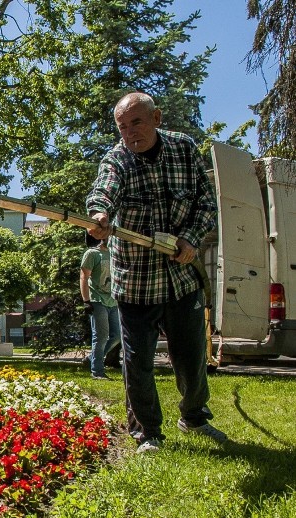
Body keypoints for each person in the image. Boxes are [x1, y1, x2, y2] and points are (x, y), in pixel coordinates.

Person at [87, 92, 226, 454]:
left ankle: (193, 415)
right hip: (135, 283)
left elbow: (206, 205)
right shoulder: (116, 160)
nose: (130, 133)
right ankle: (147, 433)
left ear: (157, 118)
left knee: (191, 358)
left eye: (136, 122)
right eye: (122, 126)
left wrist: (191, 240)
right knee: (137, 363)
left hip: (181, 280)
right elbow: (104, 192)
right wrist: (100, 216)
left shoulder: (184, 150)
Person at [80, 237, 121, 380]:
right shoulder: (92, 253)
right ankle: (97, 372)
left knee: (117, 336)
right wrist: (86, 301)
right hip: (97, 300)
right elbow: (84, 278)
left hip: (113, 301)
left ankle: (92, 357)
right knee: (101, 336)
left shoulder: (115, 253)